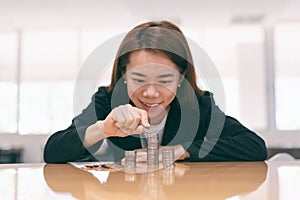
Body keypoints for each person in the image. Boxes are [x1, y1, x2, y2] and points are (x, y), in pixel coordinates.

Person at [43, 21, 267, 163]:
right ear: (124, 76)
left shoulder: (197, 104)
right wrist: (103, 128)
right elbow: (53, 152)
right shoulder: (108, 100)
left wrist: (182, 150)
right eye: (139, 79)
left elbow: (254, 146)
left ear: (181, 78)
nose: (151, 93)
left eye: (164, 80)